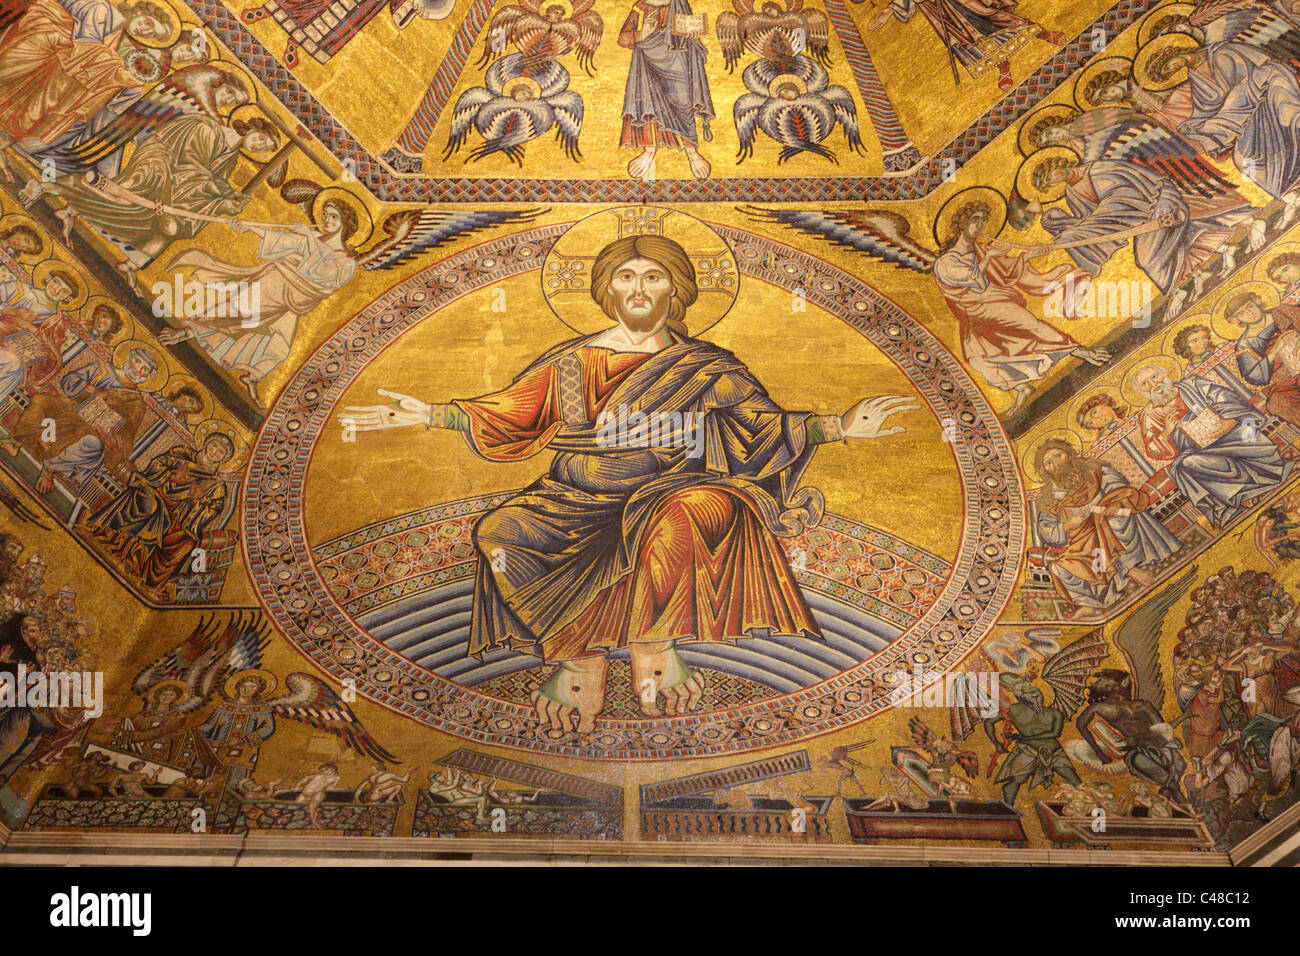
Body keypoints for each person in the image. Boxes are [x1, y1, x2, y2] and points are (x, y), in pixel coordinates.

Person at [343, 233, 918, 733]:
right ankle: (578, 655)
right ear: (608, 291)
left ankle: (655, 646)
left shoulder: (709, 367)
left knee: (685, 512)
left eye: (654, 277)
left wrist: (839, 428)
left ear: (676, 291)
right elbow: (512, 411)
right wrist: (431, 414)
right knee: (498, 532)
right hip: (573, 498)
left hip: (673, 490)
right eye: (625, 277)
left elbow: (763, 429)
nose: (639, 288)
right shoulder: (573, 364)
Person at [159, 200, 359, 405]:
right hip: (275, 281)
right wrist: (250, 227)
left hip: (296, 300)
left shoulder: (347, 262)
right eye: (325, 214)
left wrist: (307, 237)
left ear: (346, 225)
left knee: (281, 346)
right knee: (236, 312)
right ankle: (186, 332)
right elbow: (280, 240)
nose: (326, 220)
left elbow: (323, 275)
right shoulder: (314, 237)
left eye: (334, 217)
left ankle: (252, 376)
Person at [931, 199, 1109, 414]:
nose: (978, 226)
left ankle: (1079, 350)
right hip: (972, 314)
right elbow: (976, 282)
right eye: (974, 220)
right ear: (961, 223)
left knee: (1030, 325)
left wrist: (1029, 255)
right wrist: (988, 257)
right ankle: (1021, 387)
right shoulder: (945, 262)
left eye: (983, 221)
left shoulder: (981, 250)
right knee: (980, 361)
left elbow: (1007, 271)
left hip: (994, 304)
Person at [1031, 438, 1179, 619]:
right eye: (1049, 463)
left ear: (1069, 455)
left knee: (1113, 520)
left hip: (1109, 524)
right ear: (1044, 471)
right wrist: (1067, 525)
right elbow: (1047, 532)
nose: (1056, 464)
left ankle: (1130, 568)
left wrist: (1115, 502)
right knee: (1059, 569)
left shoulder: (1093, 470)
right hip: (1087, 548)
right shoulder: (1048, 498)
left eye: (1058, 456)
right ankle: (1089, 604)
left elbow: (1117, 484)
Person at [1133, 362, 1290, 528]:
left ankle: (1271, 469)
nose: (1153, 384)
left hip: (1226, 431)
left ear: (1165, 375)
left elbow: (1226, 397)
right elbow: (1153, 450)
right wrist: (1166, 433)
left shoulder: (1192, 385)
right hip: (1195, 451)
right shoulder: (1148, 416)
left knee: (1246, 430)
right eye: (1145, 384)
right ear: (1142, 392)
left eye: (1154, 377)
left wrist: (1224, 418)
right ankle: (1241, 493)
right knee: (1187, 464)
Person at [84, 432, 234, 594]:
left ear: (223, 459)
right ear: (206, 444)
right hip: (156, 491)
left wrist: (194, 502)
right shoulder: (182, 454)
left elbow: (211, 510)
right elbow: (158, 464)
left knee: (187, 543)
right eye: (214, 446)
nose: (215, 452)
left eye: (221, 452)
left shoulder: (216, 486)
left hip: (180, 517)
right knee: (151, 505)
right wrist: (172, 475)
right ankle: (123, 548)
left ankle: (151, 580)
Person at [618, 0, 714, 180]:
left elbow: (690, 32)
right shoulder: (641, 6)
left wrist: (693, 34)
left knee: (683, 103)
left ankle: (692, 152)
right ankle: (649, 150)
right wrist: (643, 33)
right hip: (646, 60)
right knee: (646, 103)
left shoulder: (679, 4)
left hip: (677, 60)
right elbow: (623, 38)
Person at [1227, 289, 1300, 424]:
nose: (1250, 313)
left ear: (1257, 301)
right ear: (1235, 320)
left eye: (1249, 306)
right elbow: (1255, 377)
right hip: (1285, 379)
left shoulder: (1281, 312)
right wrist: (1276, 349)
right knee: (1276, 402)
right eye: (1242, 313)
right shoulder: (1244, 345)